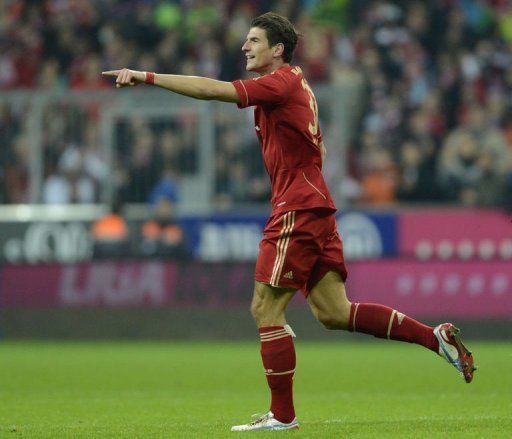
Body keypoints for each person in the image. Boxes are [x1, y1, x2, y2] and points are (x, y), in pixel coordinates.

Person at [102, 12, 476, 432]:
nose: (245, 47)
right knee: (334, 312)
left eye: (254, 41)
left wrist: (146, 76)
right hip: (314, 205)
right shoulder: (296, 85)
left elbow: (213, 90)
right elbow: (320, 149)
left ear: (277, 49)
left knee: (265, 307)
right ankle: (434, 338)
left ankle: (282, 416)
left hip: (297, 209)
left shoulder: (279, 83)